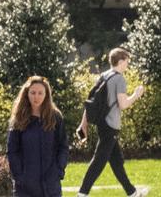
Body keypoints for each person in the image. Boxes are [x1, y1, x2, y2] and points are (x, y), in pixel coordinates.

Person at [77, 49, 148, 197]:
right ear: (121, 62)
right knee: (99, 161)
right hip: (111, 126)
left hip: (102, 124)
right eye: (127, 62)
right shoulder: (119, 79)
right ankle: (82, 194)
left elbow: (90, 102)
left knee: (116, 161)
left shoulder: (103, 76)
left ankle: (132, 192)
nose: (127, 65)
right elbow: (123, 104)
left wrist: (84, 123)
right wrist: (136, 94)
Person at [8, 76, 69, 197]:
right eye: (33, 93)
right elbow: (12, 150)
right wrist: (19, 176)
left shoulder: (55, 117)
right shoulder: (19, 118)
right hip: (25, 187)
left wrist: (59, 170)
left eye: (40, 93)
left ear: (46, 95)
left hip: (51, 185)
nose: (36, 97)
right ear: (27, 93)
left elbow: (63, 146)